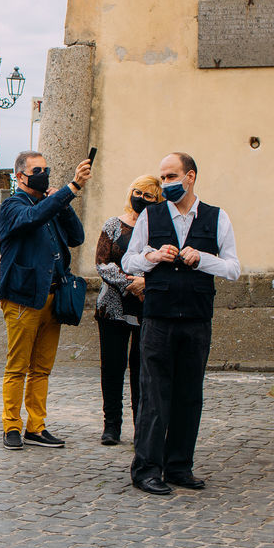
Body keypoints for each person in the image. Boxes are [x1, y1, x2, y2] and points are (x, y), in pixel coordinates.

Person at [122, 152, 241, 495]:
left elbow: (233, 268)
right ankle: (146, 468)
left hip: (196, 317)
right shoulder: (151, 215)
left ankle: (179, 466)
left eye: (172, 176)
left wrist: (203, 259)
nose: (166, 184)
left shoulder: (217, 218)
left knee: (189, 395)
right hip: (158, 317)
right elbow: (130, 258)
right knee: (154, 395)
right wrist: (153, 256)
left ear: (190, 177)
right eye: (163, 178)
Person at [0, 151, 90, 450]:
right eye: (38, 170)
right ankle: (11, 425)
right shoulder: (13, 205)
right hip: (23, 297)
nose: (44, 174)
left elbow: (76, 237)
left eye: (46, 169)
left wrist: (63, 204)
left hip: (53, 296)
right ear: (21, 176)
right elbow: (31, 219)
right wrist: (69, 189)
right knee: (17, 366)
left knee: (42, 369)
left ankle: (36, 426)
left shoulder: (51, 205)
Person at [94, 175, 163, 445]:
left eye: (149, 196)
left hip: (147, 306)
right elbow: (102, 262)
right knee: (112, 367)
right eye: (138, 193)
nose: (142, 199)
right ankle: (111, 424)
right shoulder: (113, 225)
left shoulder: (158, 227)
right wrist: (129, 283)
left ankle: (141, 424)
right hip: (113, 307)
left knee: (141, 369)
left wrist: (145, 284)